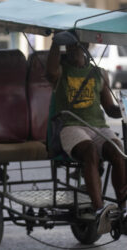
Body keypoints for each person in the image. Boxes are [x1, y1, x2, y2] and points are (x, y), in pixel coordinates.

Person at [47, 31, 127, 234]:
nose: (76, 50)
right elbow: (50, 71)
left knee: (118, 153)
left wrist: (124, 108)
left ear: (87, 47)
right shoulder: (61, 71)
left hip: (98, 127)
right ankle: (100, 209)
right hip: (71, 126)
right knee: (90, 151)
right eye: (72, 46)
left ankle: (123, 207)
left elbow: (109, 109)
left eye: (79, 45)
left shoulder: (99, 73)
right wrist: (56, 43)